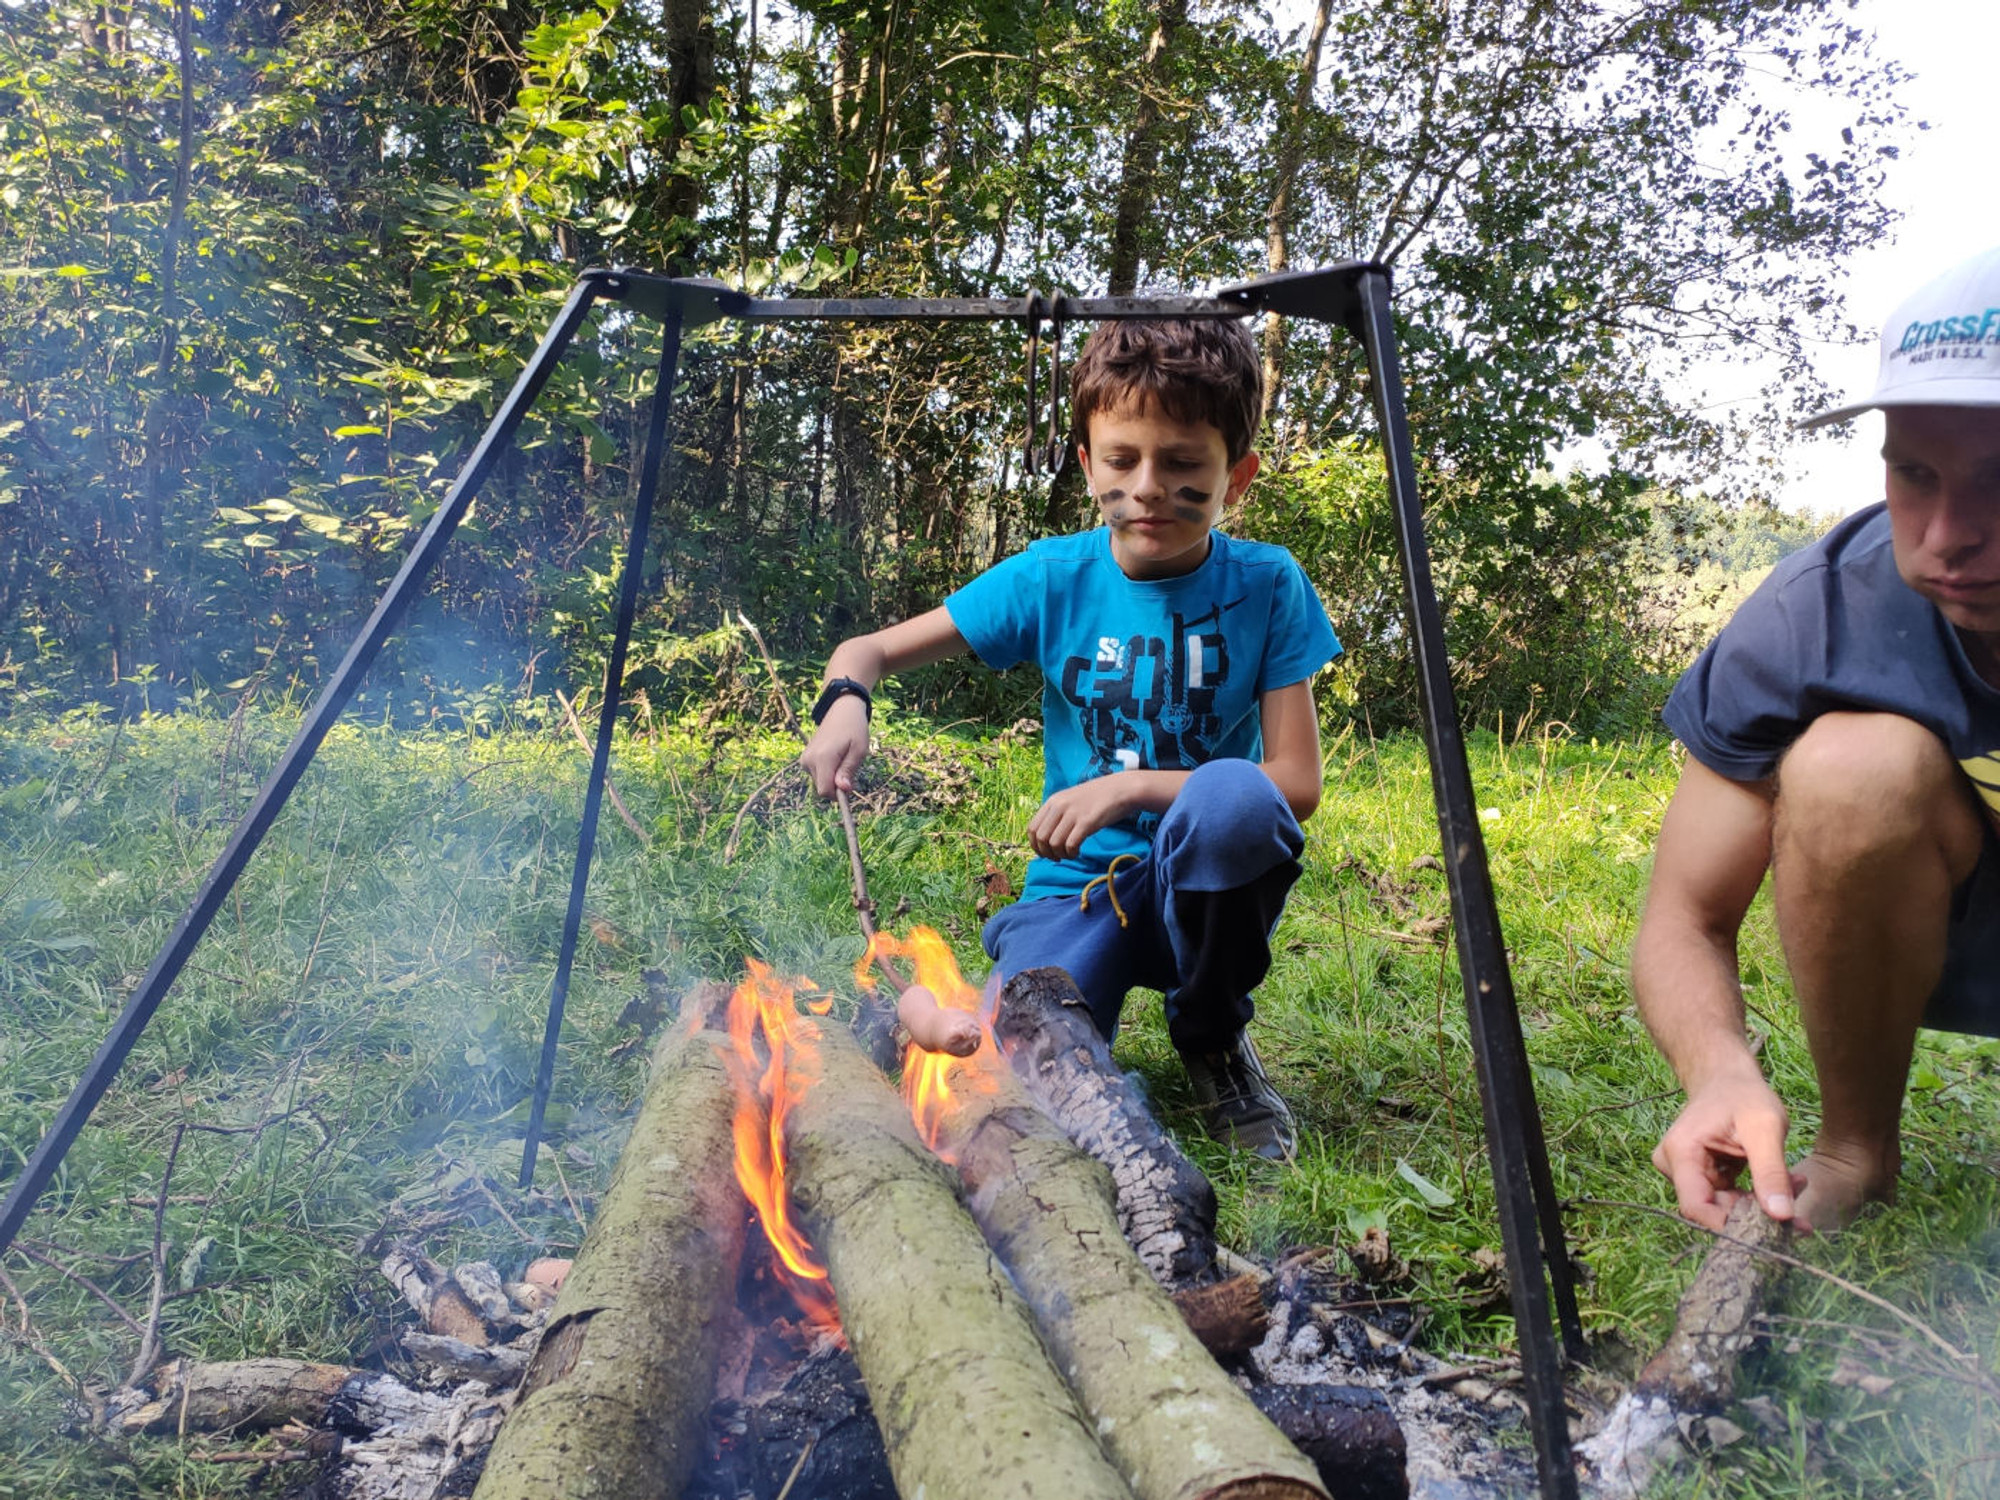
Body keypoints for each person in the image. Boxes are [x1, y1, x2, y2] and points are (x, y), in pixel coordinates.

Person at [799, 316, 1340, 1160]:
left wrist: (1126, 788)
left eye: (1184, 463)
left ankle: (1210, 1035)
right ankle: (1071, 1032)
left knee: (1233, 799)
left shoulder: (1268, 586)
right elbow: (867, 650)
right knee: (1014, 1054)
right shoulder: (1054, 577)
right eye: (1123, 459)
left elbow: (1294, 783)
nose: (1150, 486)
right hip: (1076, 894)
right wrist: (844, 699)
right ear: (1087, 462)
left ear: (1238, 476)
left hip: (1196, 885)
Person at [1634, 245, 2000, 1234]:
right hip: (1957, 928)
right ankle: (1853, 1152)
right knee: (1850, 769)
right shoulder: (1819, 611)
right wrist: (1716, 1073)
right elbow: (1682, 918)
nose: (1946, 533)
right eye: (1913, 475)